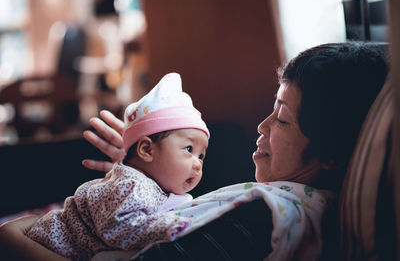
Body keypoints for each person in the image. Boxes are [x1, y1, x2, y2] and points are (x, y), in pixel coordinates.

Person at [0, 41, 388, 260]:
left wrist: (13, 241)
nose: (263, 126)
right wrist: (141, 173)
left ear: (331, 151)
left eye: (282, 120)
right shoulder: (283, 198)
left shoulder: (261, 220)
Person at [22, 72, 210, 260]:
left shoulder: (152, 185)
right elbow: (118, 228)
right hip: (49, 244)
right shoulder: (132, 185)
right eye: (188, 149)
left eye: (201, 156)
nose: (197, 164)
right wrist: (167, 227)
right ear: (146, 149)